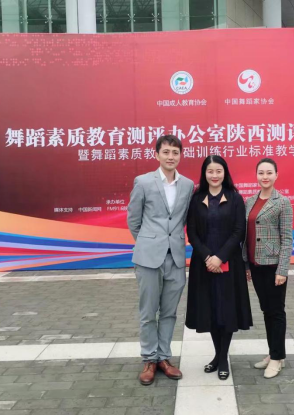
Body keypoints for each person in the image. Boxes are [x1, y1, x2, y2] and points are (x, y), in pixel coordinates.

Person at [127, 134, 195, 386]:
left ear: (180, 156)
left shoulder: (188, 185)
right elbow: (134, 219)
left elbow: (185, 218)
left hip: (175, 257)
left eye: (175, 152)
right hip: (148, 257)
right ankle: (149, 359)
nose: (170, 157)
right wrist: (148, 242)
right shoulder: (143, 182)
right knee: (148, 312)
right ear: (156, 154)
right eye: (166, 152)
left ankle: (164, 358)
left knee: (169, 312)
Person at [185, 155, 252, 380]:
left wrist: (220, 257)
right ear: (204, 174)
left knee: (227, 310)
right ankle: (217, 355)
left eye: (219, 171)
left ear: (225, 173)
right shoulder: (196, 199)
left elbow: (239, 231)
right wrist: (208, 257)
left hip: (229, 263)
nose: (214, 175)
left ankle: (223, 359)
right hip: (203, 264)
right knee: (211, 310)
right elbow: (192, 232)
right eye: (210, 171)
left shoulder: (235, 198)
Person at [243, 158, 293, 379]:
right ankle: (274, 352)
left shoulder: (283, 202)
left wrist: (282, 269)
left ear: (276, 175)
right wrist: (246, 264)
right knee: (266, 310)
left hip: (273, 265)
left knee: (276, 311)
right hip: (256, 264)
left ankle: (277, 358)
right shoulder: (250, 201)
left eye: (269, 173)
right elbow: (246, 235)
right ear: (256, 175)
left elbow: (287, 239)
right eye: (261, 173)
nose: (265, 177)